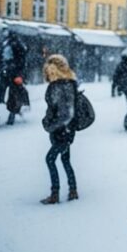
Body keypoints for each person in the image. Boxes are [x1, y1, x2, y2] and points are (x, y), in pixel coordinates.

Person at [40, 55, 79, 204]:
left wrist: (50, 125)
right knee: (65, 159)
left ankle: (55, 194)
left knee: (50, 159)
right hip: (64, 131)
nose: (48, 74)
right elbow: (54, 109)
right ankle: (73, 190)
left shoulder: (63, 86)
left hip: (63, 131)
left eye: (50, 71)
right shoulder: (65, 84)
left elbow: (67, 114)